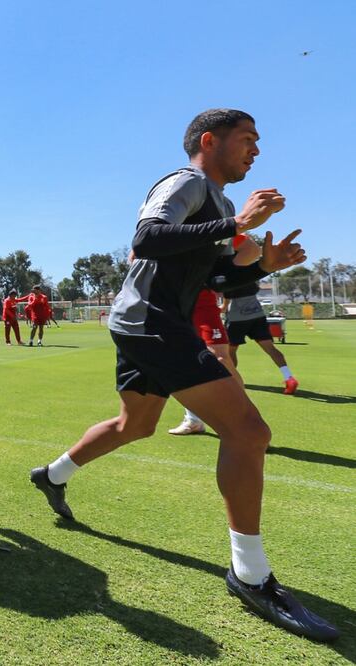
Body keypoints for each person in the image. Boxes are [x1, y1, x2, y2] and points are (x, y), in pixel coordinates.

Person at [28, 109, 337, 641]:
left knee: (137, 424)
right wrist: (237, 226)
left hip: (147, 320)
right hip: (151, 321)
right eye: (248, 140)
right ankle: (251, 576)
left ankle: (51, 475)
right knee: (249, 432)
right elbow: (148, 238)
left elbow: (209, 276)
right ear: (209, 141)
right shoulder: (185, 182)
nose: (256, 151)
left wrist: (263, 265)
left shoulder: (217, 202)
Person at [170, 234, 258, 435]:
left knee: (220, 358)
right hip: (171, 302)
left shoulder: (213, 226)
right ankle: (193, 419)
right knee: (184, 362)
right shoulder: (163, 224)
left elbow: (252, 249)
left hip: (202, 300)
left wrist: (219, 278)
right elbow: (135, 256)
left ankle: (247, 421)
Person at [224, 277, 298, 395]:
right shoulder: (250, 275)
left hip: (237, 319)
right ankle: (289, 377)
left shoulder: (228, 275)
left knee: (230, 351)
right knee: (271, 349)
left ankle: (232, 380)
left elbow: (227, 297)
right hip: (257, 315)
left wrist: (222, 308)